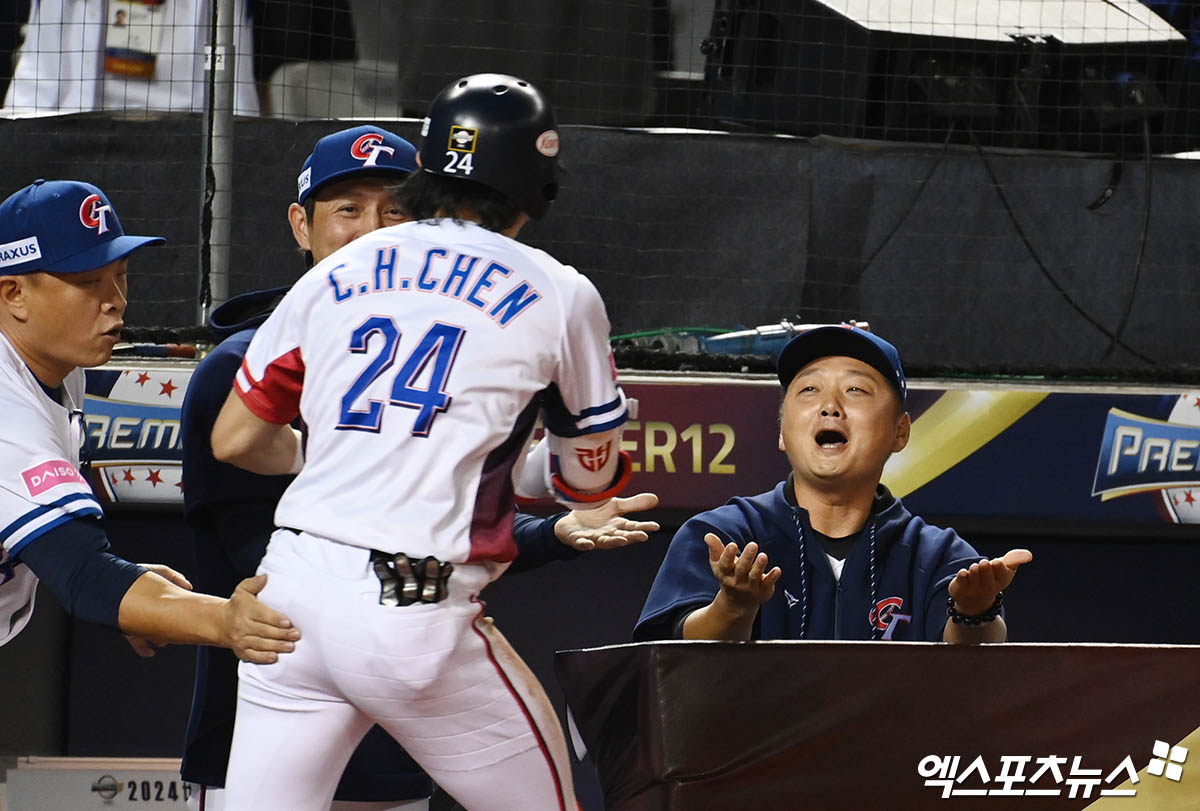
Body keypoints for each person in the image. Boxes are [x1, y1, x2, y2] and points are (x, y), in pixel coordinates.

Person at [180, 123, 658, 810]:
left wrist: (329, 453)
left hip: (295, 601)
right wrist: (550, 473)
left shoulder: (336, 275)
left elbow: (239, 437)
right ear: (538, 190)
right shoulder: (558, 289)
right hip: (409, 609)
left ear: (428, 180)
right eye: (346, 207)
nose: (371, 223)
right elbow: (586, 480)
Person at [0, 178, 299, 664]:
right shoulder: (7, 405)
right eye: (88, 281)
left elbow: (62, 554)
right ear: (14, 293)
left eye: (120, 275)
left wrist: (134, 593)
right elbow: (84, 578)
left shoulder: (57, 366)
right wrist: (226, 621)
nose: (114, 298)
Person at [635, 325, 1032, 644]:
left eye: (856, 390)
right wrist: (734, 607)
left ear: (900, 431)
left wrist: (975, 610)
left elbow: (976, 665)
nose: (830, 405)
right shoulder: (724, 535)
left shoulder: (937, 553)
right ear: (781, 431)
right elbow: (671, 665)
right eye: (809, 390)